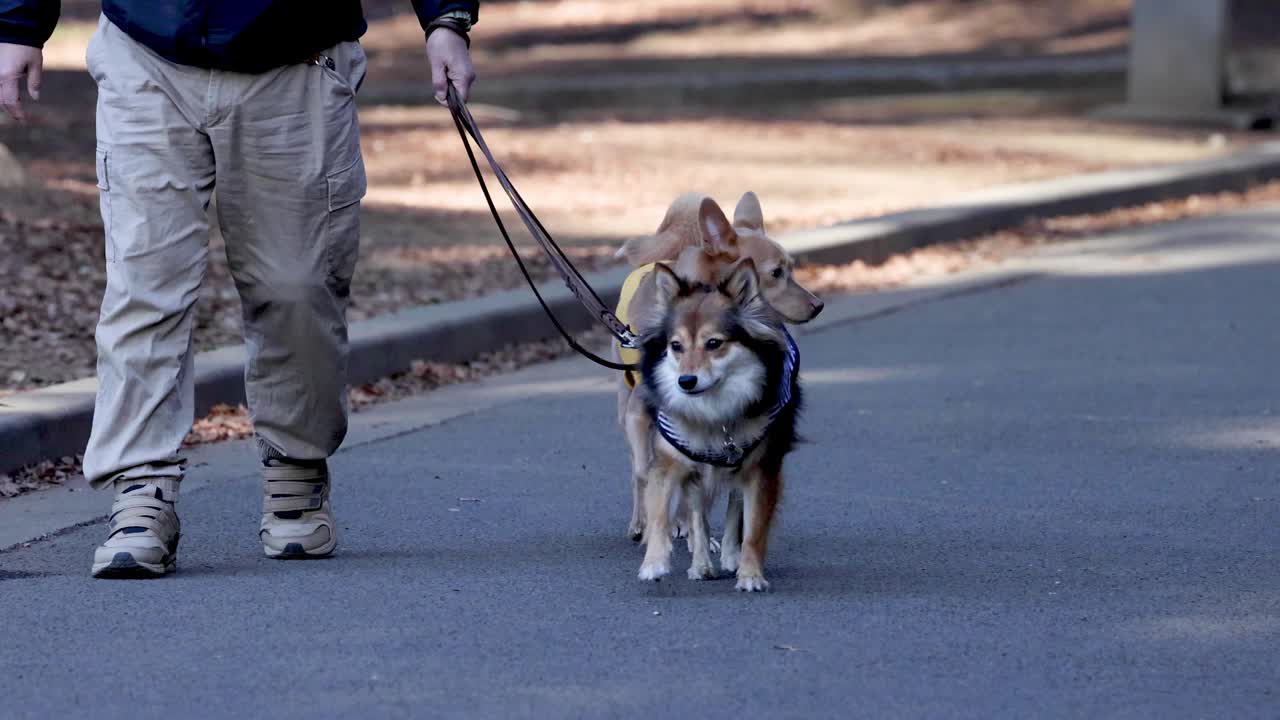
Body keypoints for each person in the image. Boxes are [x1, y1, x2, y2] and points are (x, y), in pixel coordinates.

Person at [0, 1, 480, 577]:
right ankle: (141, 488)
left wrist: (445, 19)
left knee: (299, 286)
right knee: (145, 283)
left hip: (296, 58)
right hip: (146, 53)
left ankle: (295, 466)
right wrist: (17, 23)